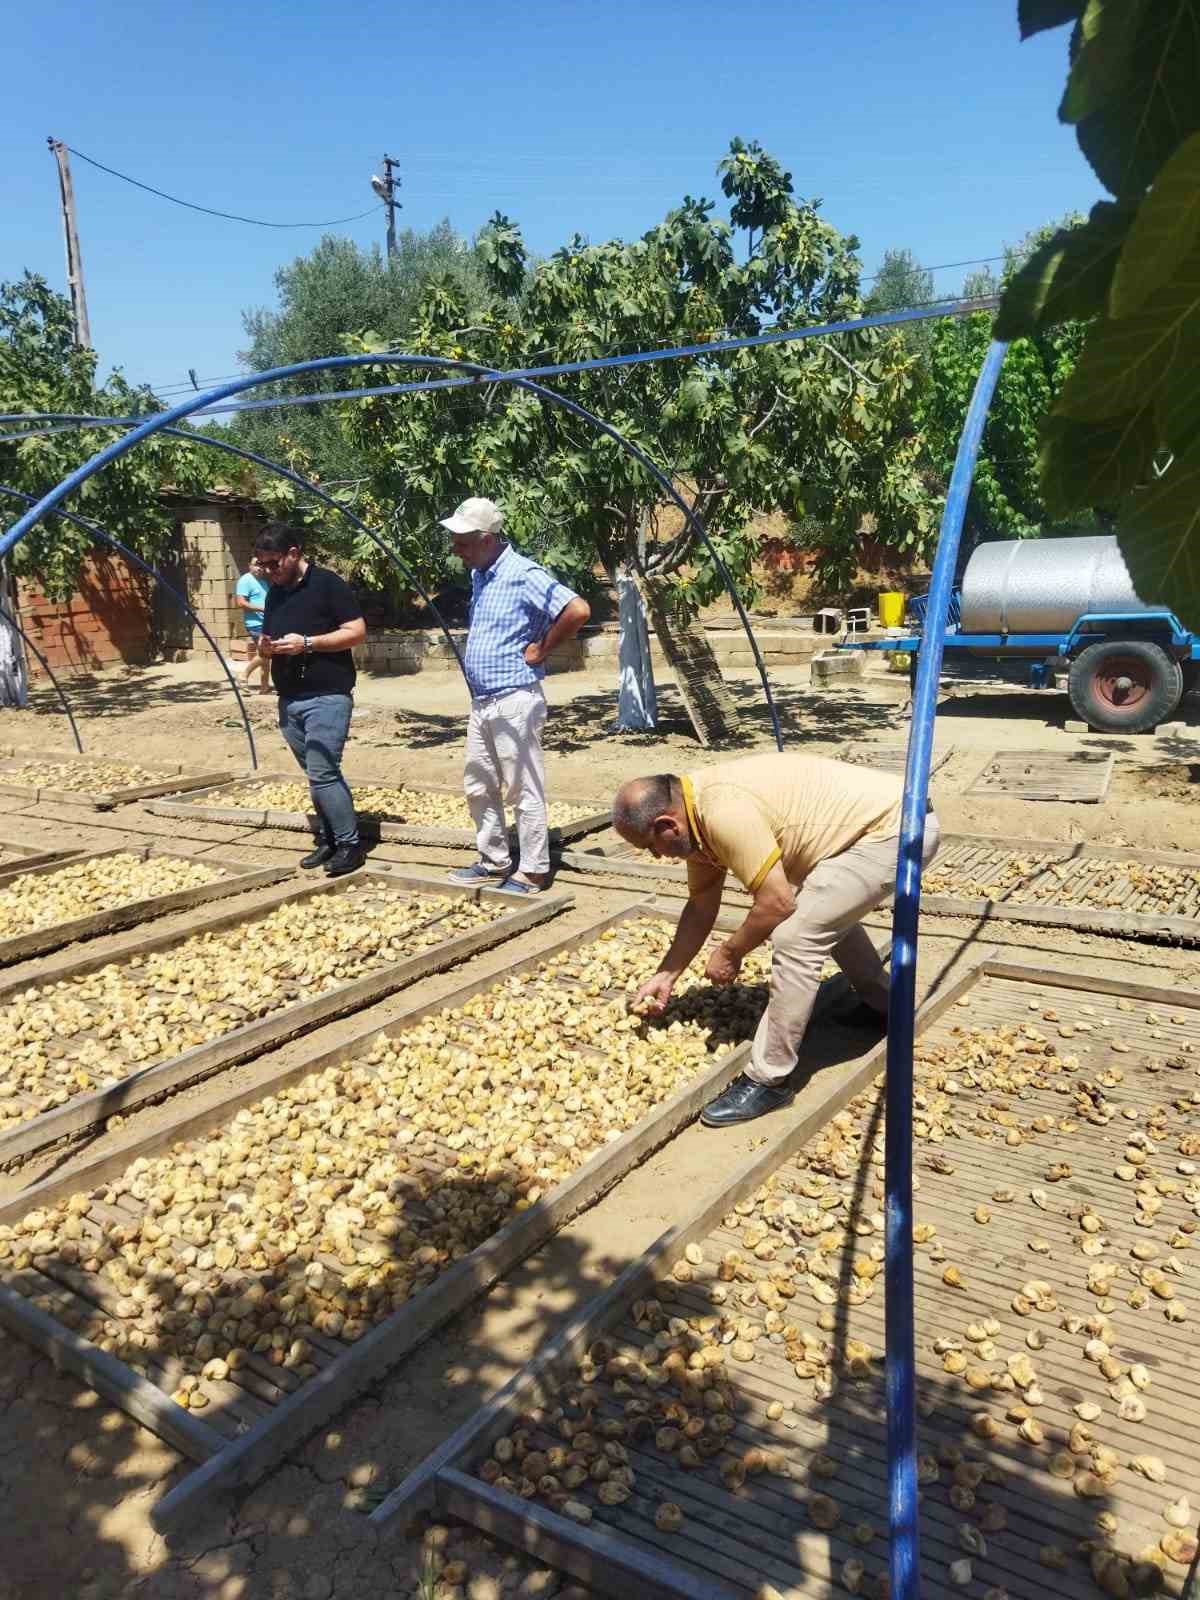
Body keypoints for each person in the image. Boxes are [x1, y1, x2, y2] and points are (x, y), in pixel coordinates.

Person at [612, 752, 941, 1128]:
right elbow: (701, 906)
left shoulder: (722, 813)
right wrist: (666, 974)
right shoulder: (693, 816)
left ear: (668, 825)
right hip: (872, 827)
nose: (657, 856)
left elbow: (777, 902)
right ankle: (887, 1006)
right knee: (819, 912)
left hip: (896, 829)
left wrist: (730, 951)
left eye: (650, 847)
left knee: (796, 936)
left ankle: (770, 1079)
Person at [438, 496, 591, 895]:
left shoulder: (524, 573)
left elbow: (577, 609)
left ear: (487, 539)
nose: (457, 550)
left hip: (514, 696)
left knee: (523, 788)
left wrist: (542, 648)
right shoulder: (480, 574)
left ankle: (534, 871)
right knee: (478, 783)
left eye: (463, 542)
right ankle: (494, 859)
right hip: (483, 699)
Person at [255, 522, 368, 877]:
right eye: (263, 565)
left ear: (294, 553)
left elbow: (356, 632)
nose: (269, 571)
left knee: (321, 770)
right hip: (290, 698)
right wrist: (266, 647)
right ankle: (330, 838)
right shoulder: (276, 591)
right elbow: (269, 635)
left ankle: (350, 845)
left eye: (274, 563)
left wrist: (307, 643)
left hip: (327, 695)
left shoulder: (327, 584)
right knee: (317, 774)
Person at [234, 556, 271, 692]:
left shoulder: (262, 581)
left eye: (262, 565)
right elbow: (241, 602)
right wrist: (262, 609)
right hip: (255, 623)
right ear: (249, 565)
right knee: (267, 652)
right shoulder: (245, 580)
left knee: (265, 654)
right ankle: (243, 676)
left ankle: (264, 686)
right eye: (256, 564)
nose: (259, 567)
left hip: (265, 622)